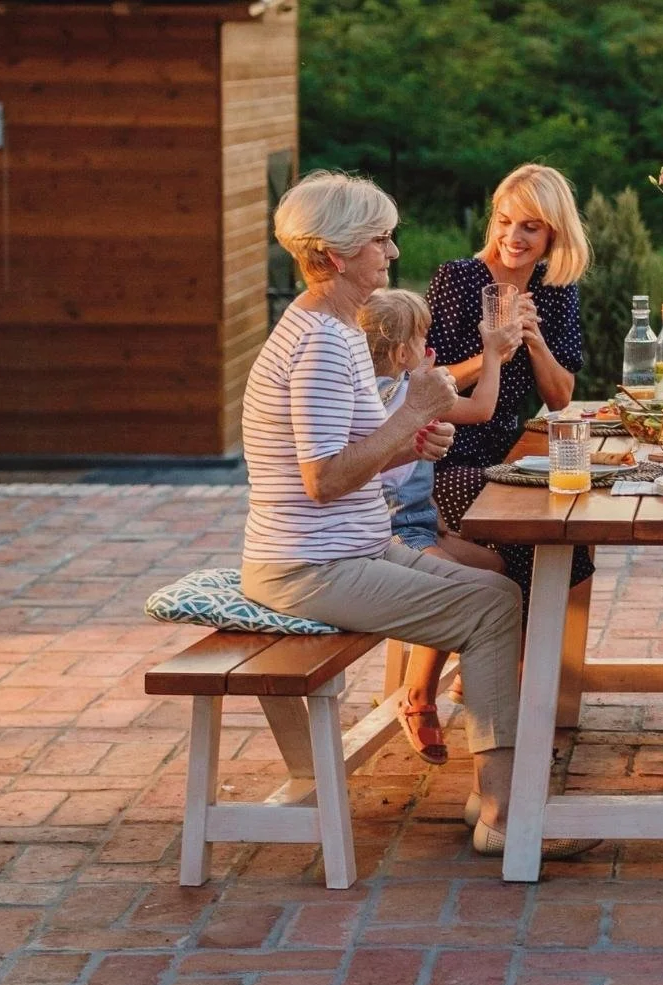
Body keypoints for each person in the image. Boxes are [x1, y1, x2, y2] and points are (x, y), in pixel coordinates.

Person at [239, 171, 595, 860]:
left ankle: (492, 792)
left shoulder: (337, 330)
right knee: (492, 612)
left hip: (354, 548)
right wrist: (411, 414)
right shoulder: (318, 343)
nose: (393, 252)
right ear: (339, 255)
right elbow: (323, 481)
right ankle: (506, 814)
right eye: (380, 239)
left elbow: (358, 451)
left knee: (499, 592)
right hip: (310, 566)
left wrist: (413, 435)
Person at [360, 288, 520, 766]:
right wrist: (491, 353)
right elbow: (481, 409)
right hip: (395, 533)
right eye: (423, 335)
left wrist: (438, 518)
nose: (429, 343)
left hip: (423, 522)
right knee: (457, 592)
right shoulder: (399, 394)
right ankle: (417, 697)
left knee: (500, 568)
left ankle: (472, 669)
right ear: (403, 350)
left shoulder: (410, 386)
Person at [425, 163, 595, 607]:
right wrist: (493, 354)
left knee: (563, 534)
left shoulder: (555, 288)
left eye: (530, 227)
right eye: (504, 221)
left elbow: (559, 397)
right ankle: (499, 673)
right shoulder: (458, 280)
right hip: (445, 453)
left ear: (553, 235)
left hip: (508, 453)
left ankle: (521, 671)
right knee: (525, 536)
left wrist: (535, 341)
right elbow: (423, 384)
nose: (513, 236)